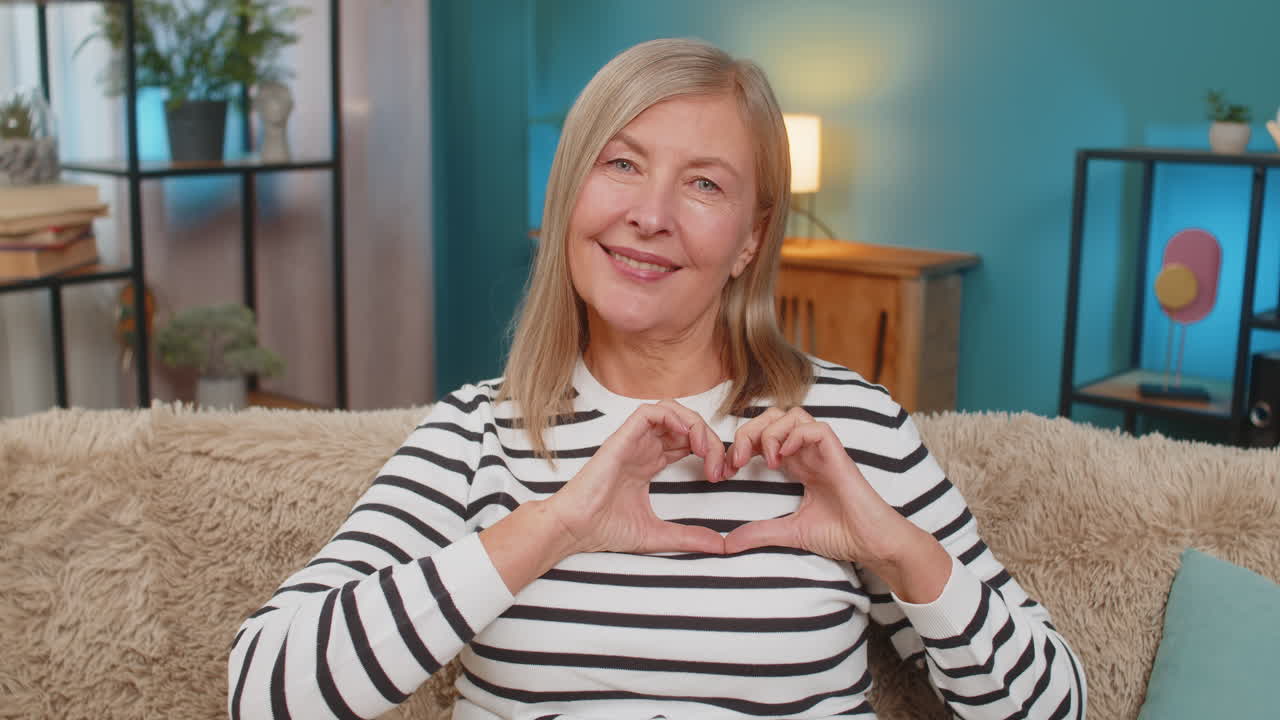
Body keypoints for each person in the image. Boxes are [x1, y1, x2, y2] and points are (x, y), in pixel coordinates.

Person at [228, 38, 1086, 720]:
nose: (650, 215)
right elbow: (266, 691)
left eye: (704, 184)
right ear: (570, 192)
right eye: (622, 164)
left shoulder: (847, 428)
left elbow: (1055, 706)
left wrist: (896, 549)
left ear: (751, 240)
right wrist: (557, 525)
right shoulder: (478, 433)